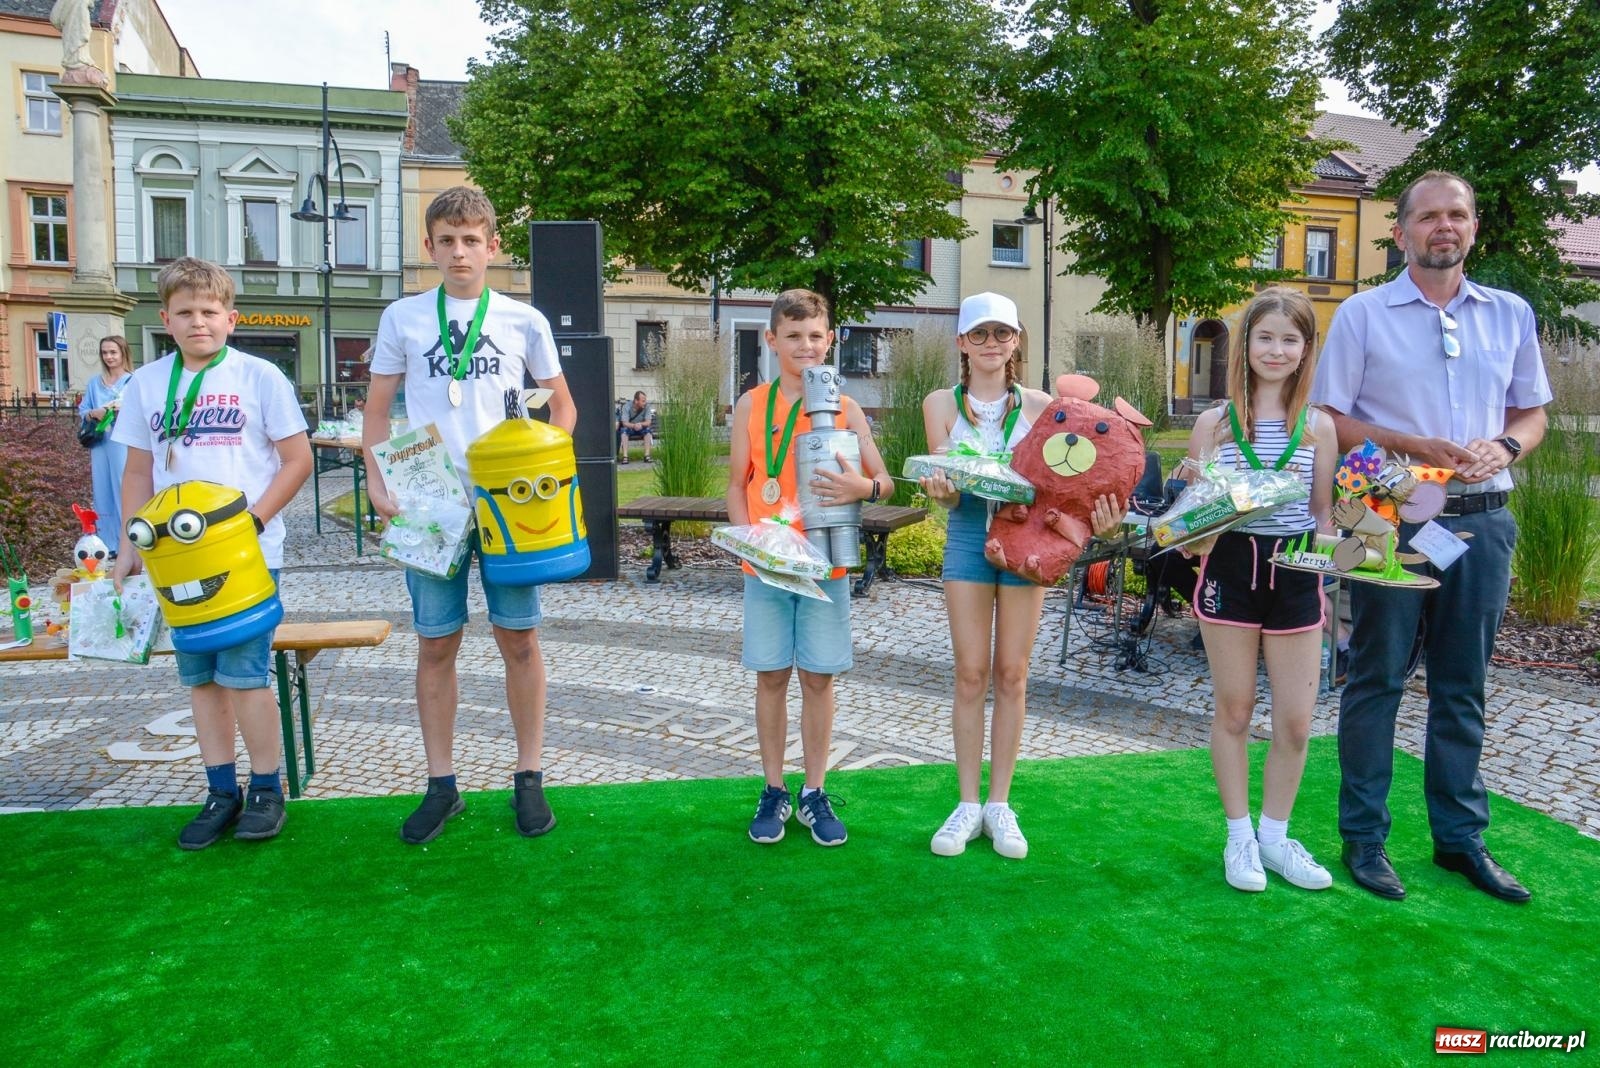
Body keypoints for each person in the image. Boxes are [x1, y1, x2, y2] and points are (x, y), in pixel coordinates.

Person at [1310, 170, 1551, 903]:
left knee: (1462, 686)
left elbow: (1531, 414)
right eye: (1427, 217)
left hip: (1482, 521)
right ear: (1402, 232)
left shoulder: (1510, 313)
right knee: (1377, 677)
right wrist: (1406, 443)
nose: (1443, 226)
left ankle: (1458, 840)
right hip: (1380, 515)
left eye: (1457, 215)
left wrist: (1504, 449)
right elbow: (1328, 418)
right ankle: (1364, 839)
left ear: (1473, 227)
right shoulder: (1363, 315)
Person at [362, 185, 578, 846]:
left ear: (493, 246)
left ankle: (529, 775)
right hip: (430, 499)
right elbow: (376, 411)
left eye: (472, 240)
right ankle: (441, 785)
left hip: (506, 502)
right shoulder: (403, 317)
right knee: (436, 642)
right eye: (447, 241)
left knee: (519, 638)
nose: (460, 252)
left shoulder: (523, 320)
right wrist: (376, 480)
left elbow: (564, 409)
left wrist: (547, 465)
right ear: (429, 247)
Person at [110, 258, 311, 849]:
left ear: (231, 318)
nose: (198, 322)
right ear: (165, 319)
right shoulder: (145, 384)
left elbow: (296, 459)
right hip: (175, 561)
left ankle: (267, 789)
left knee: (246, 677)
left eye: (209, 312)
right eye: (185, 312)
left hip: (243, 556)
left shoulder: (260, 378)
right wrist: (130, 544)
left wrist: (253, 521)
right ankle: (221, 791)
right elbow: (137, 471)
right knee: (201, 680)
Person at [917, 292, 1125, 860]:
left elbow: (1078, 473)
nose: (991, 344)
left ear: (1016, 341)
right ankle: (965, 804)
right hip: (966, 534)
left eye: (1001, 334)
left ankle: (1000, 804)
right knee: (969, 673)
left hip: (1026, 538)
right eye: (979, 334)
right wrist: (942, 490)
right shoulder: (940, 403)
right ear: (962, 342)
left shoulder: (1043, 405)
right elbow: (948, 482)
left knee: (1012, 672)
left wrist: (1101, 512)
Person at [1184, 286, 1338, 892]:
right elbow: (1193, 524)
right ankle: (1239, 837)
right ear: (1245, 344)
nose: (1276, 350)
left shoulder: (1319, 428)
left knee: (1296, 723)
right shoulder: (1212, 424)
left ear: (1306, 350)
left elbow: (1323, 515)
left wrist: (1342, 552)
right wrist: (1197, 489)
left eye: (1289, 339)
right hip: (1230, 565)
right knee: (1236, 710)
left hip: (1295, 569)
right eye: (1265, 337)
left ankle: (1276, 839)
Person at [730, 288, 891, 847]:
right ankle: (773, 789)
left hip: (825, 568)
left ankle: (814, 791)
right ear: (772, 340)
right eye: (793, 336)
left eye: (815, 336)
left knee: (818, 678)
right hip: (769, 570)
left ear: (830, 341)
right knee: (771, 676)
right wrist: (749, 544)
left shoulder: (844, 408)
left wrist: (861, 486)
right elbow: (738, 484)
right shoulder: (752, 405)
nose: (805, 345)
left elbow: (884, 481)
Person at [78, 335, 134, 554]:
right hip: (100, 443)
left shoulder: (133, 381)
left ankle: (127, 541)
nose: (109, 357)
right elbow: (83, 410)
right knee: (102, 489)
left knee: (123, 487)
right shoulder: (95, 383)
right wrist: (94, 412)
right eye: (105, 353)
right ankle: (107, 542)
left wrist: (121, 410)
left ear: (122, 353)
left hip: (122, 441)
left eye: (113, 352)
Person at [617, 390, 653, 463]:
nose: (645, 403)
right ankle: (625, 457)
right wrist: (634, 425)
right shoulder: (626, 406)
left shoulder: (647, 406)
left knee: (648, 431)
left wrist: (641, 424)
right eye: (643, 401)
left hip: (641, 427)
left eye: (645, 400)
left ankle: (647, 456)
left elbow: (648, 422)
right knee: (624, 431)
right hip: (630, 428)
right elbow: (624, 423)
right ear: (636, 401)